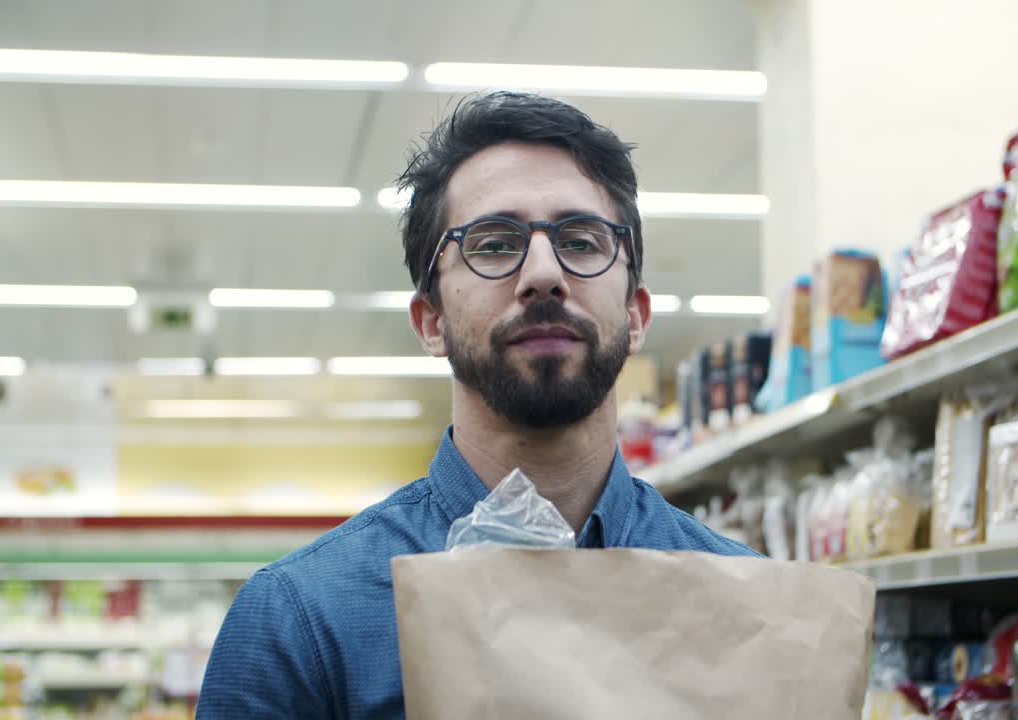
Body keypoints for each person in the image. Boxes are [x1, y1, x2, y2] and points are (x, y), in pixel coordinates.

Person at [196, 92, 759, 719]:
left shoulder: (753, 610)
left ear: (635, 315)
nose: (543, 274)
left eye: (581, 241)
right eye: (493, 244)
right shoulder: (301, 623)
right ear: (430, 321)